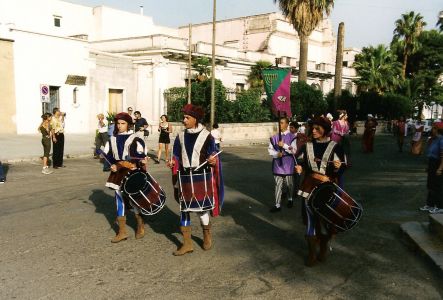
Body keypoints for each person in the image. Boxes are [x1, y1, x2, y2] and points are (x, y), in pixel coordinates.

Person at [167, 104, 224, 256]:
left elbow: (213, 153)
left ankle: (206, 234)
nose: (184, 120)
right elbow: (177, 155)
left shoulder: (207, 136)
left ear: (195, 119)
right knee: (184, 210)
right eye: (184, 117)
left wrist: (212, 160)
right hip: (184, 176)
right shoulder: (180, 136)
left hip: (201, 176)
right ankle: (187, 244)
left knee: (201, 211)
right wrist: (173, 161)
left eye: (187, 118)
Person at [295, 116, 346, 266]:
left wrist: (338, 167)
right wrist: (300, 167)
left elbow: (342, 168)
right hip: (309, 187)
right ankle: (311, 253)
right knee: (310, 220)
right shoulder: (307, 145)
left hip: (327, 189)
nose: (314, 131)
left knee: (325, 222)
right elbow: (301, 161)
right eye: (313, 128)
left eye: (318, 128)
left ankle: (323, 247)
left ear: (326, 130)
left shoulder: (336, 147)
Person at [103, 112, 148, 243]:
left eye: (123, 123)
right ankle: (122, 231)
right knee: (119, 199)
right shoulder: (112, 139)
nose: (120, 126)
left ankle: (140, 223)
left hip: (131, 171)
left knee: (134, 199)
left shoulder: (135, 138)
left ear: (129, 125)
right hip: (117, 172)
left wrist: (137, 162)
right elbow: (108, 155)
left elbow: (139, 156)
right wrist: (110, 164)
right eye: (118, 123)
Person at [268, 117, 297, 212]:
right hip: (278, 164)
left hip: (288, 164)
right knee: (278, 185)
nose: (279, 125)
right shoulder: (274, 137)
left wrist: (284, 146)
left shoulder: (293, 137)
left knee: (289, 184)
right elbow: (270, 150)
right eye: (279, 123)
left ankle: (290, 199)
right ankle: (277, 204)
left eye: (282, 123)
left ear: (287, 124)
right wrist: (276, 154)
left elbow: (294, 150)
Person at [420, 121, 443, 213]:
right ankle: (430, 204)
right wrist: (428, 166)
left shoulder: (441, 140)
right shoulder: (433, 139)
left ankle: (440, 206)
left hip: (438, 164)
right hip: (432, 164)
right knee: (430, 186)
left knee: (438, 186)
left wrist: (440, 168)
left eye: (434, 128)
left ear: (438, 130)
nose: (431, 129)